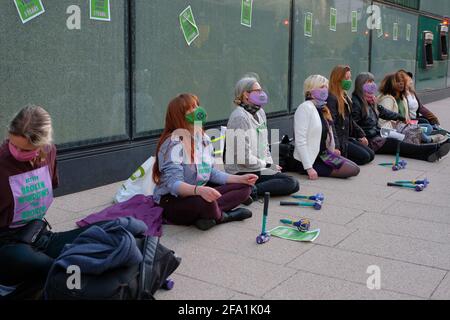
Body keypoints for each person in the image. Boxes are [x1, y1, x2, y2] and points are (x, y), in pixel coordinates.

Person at [0, 106, 94, 299]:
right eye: (13, 144)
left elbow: (47, 190)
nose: (17, 152)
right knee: (59, 266)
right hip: (6, 245)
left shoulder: (49, 152)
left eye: (26, 149)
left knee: (100, 234)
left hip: (37, 234)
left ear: (43, 144)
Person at [152, 93, 257, 231]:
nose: (197, 110)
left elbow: (211, 172)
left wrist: (239, 178)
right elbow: (174, 185)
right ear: (179, 116)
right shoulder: (173, 143)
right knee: (205, 202)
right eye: (190, 108)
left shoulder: (204, 138)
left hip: (198, 190)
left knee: (245, 188)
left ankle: (207, 217)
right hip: (172, 200)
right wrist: (198, 190)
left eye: (196, 105)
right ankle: (224, 216)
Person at [224, 75, 299, 200]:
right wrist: (267, 166)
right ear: (245, 95)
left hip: (257, 166)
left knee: (293, 184)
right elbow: (244, 158)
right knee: (291, 182)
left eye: (261, 90)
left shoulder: (260, 113)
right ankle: (248, 191)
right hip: (240, 170)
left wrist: (271, 164)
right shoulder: (239, 117)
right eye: (257, 91)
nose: (262, 93)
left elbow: (264, 146)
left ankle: (247, 189)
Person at [351, 72, 450, 162]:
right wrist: (361, 136)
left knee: (399, 141)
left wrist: (401, 117)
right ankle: (432, 149)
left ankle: (428, 152)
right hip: (370, 139)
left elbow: (385, 112)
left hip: (377, 133)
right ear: (361, 85)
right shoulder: (357, 103)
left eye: (372, 81)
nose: (372, 85)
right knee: (396, 144)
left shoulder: (371, 101)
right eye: (369, 82)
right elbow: (353, 123)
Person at [288, 75, 360, 180]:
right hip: (311, 160)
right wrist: (309, 168)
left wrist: (332, 149)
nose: (325, 90)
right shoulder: (305, 108)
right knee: (351, 170)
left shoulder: (322, 108)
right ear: (310, 90)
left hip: (324, 155)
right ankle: (304, 168)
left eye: (326, 87)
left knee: (355, 168)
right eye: (321, 87)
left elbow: (327, 133)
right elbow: (300, 141)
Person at [327, 65, 374, 165]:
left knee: (371, 154)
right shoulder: (332, 98)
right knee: (364, 157)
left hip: (345, 138)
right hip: (339, 141)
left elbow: (349, 119)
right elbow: (332, 124)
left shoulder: (344, 96)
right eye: (346, 78)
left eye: (350, 78)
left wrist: (361, 134)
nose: (349, 81)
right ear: (338, 79)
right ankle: (339, 159)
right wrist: (335, 147)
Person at [397, 70, 449, 140]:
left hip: (415, 119)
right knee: (428, 126)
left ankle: (438, 132)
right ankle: (430, 136)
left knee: (428, 121)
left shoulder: (412, 92)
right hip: (410, 121)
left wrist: (433, 118)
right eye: (408, 79)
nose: (411, 81)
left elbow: (421, 108)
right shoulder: (401, 95)